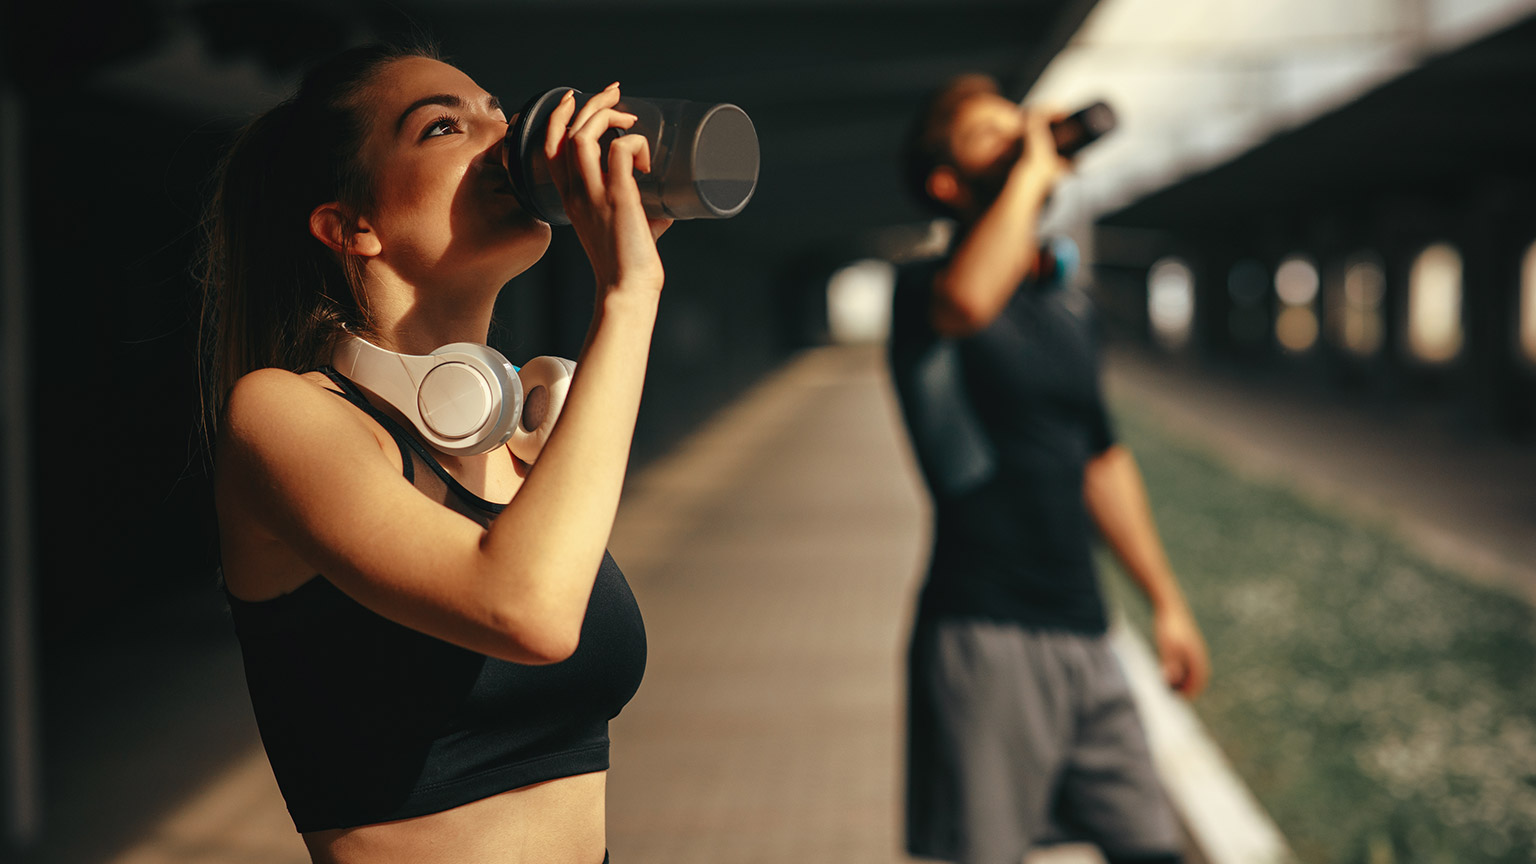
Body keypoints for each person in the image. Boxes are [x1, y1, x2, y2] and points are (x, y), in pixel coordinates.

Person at [198, 42, 669, 864]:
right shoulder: (281, 416)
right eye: (445, 125)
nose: (506, 138)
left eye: (501, 112)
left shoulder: (525, 433)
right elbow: (523, 609)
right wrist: (629, 295)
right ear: (352, 227)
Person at [889, 74, 1211, 864]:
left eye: (1020, 125)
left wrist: (1165, 602)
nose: (1020, 138)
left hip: (1085, 627)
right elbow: (969, 301)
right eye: (991, 137)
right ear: (946, 182)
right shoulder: (924, 294)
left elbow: (1101, 458)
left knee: (1151, 846)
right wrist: (1034, 168)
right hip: (985, 631)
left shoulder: (1067, 306)